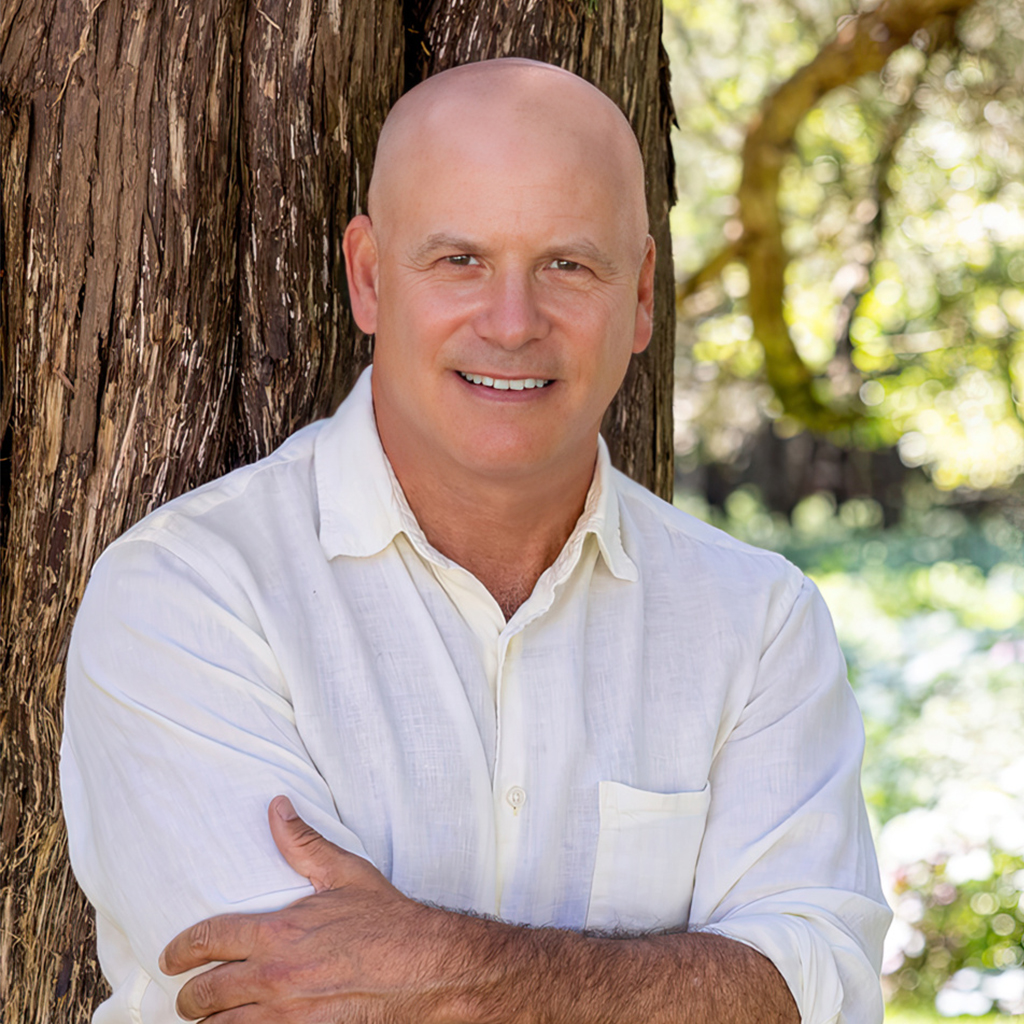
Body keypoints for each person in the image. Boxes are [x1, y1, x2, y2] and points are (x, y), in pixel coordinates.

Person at [61, 58, 891, 1024]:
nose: (512, 322)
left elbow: (818, 992)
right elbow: (287, 1007)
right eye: (460, 260)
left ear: (640, 296)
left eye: (567, 265)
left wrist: (453, 971)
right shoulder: (186, 596)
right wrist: (672, 985)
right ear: (370, 278)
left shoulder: (758, 622)